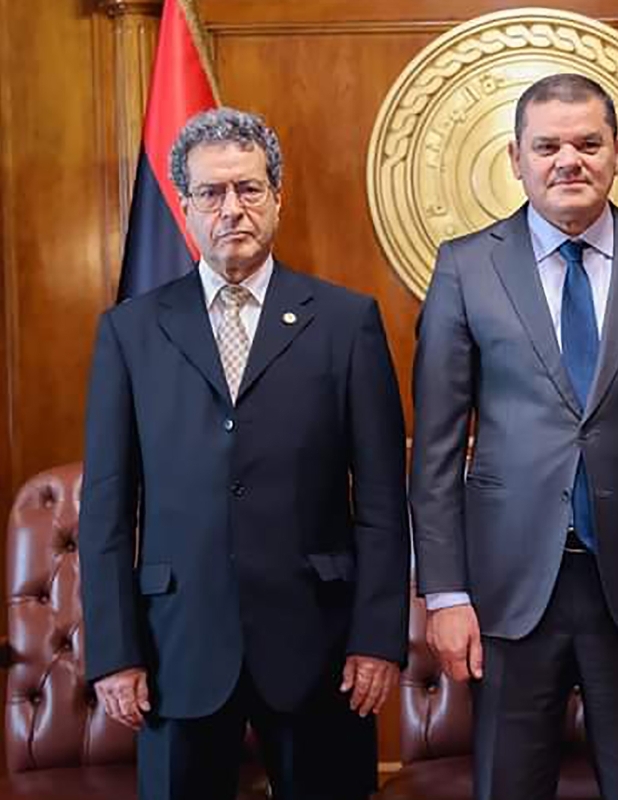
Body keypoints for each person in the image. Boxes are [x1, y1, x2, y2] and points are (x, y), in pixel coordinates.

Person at [410, 73, 618, 800]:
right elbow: (433, 451)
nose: (569, 160)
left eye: (588, 143)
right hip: (507, 590)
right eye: (547, 145)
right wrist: (446, 592)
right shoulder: (465, 267)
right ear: (515, 159)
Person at [78, 107, 410, 800]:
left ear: (277, 197)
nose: (233, 208)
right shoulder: (131, 332)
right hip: (177, 650)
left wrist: (378, 637)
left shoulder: (347, 322)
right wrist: (115, 654)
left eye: (250, 189)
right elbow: (108, 507)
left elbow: (381, 500)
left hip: (321, 651)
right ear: (186, 207)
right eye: (212, 193)